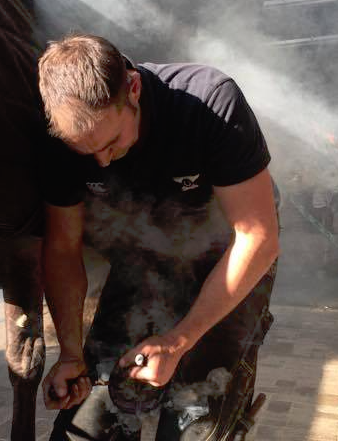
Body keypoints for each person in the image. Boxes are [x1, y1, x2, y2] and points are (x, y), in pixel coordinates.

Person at [38, 33, 279, 440]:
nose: (101, 161)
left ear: (132, 88)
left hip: (228, 250)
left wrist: (177, 340)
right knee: (89, 425)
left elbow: (257, 237)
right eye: (85, 153)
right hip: (143, 252)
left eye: (112, 142)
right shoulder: (58, 139)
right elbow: (62, 249)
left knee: (193, 418)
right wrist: (70, 354)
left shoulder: (210, 102)